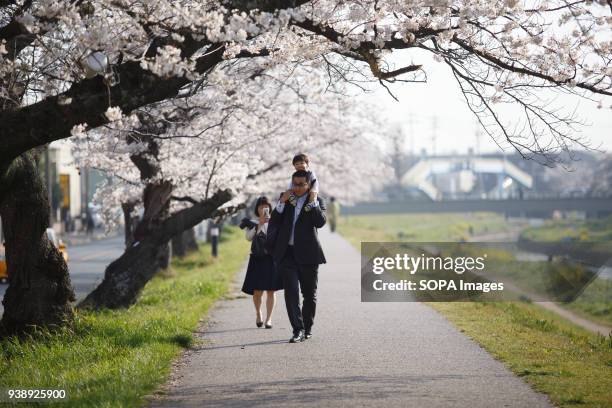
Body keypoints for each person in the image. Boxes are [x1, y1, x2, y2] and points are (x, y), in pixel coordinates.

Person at [269, 170, 326, 343]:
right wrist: (281, 202)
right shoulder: (286, 199)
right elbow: (274, 220)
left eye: (302, 184)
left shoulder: (316, 200)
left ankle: (307, 328)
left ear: (309, 185)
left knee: (309, 294)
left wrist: (313, 202)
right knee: (291, 293)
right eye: (295, 184)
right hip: (288, 254)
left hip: (309, 255)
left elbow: (320, 222)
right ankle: (297, 330)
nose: (298, 188)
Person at [241, 196, 283, 329]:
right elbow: (248, 238)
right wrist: (259, 224)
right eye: (261, 206)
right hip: (257, 259)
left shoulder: (275, 222)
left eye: (266, 206)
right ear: (257, 209)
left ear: (270, 208)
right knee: (257, 290)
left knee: (271, 290)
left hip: (271, 259)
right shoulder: (252, 223)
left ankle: (269, 318)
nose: (264, 209)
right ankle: (258, 313)